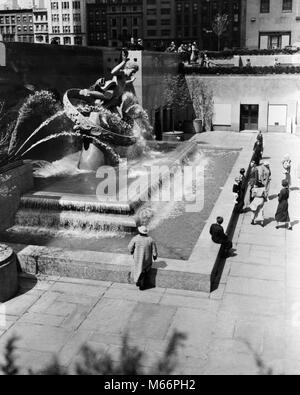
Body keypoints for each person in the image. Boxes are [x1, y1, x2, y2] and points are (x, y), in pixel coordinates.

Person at [128, 226, 158, 290]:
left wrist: (132, 251)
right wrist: (154, 256)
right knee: (145, 270)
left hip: (137, 258)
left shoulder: (135, 238)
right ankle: (143, 282)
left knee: (138, 268)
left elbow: (130, 247)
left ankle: (138, 280)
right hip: (147, 259)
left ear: (139, 231)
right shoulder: (150, 239)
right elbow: (154, 251)